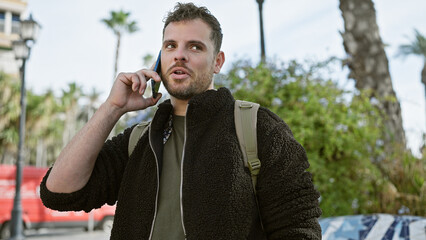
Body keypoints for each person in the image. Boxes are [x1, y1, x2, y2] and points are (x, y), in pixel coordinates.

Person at [40, 2, 322, 239]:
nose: (180, 55)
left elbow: (299, 228)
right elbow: (58, 193)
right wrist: (113, 108)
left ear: (218, 62)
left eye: (195, 47)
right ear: (159, 60)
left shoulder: (258, 127)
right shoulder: (140, 139)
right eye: (170, 45)